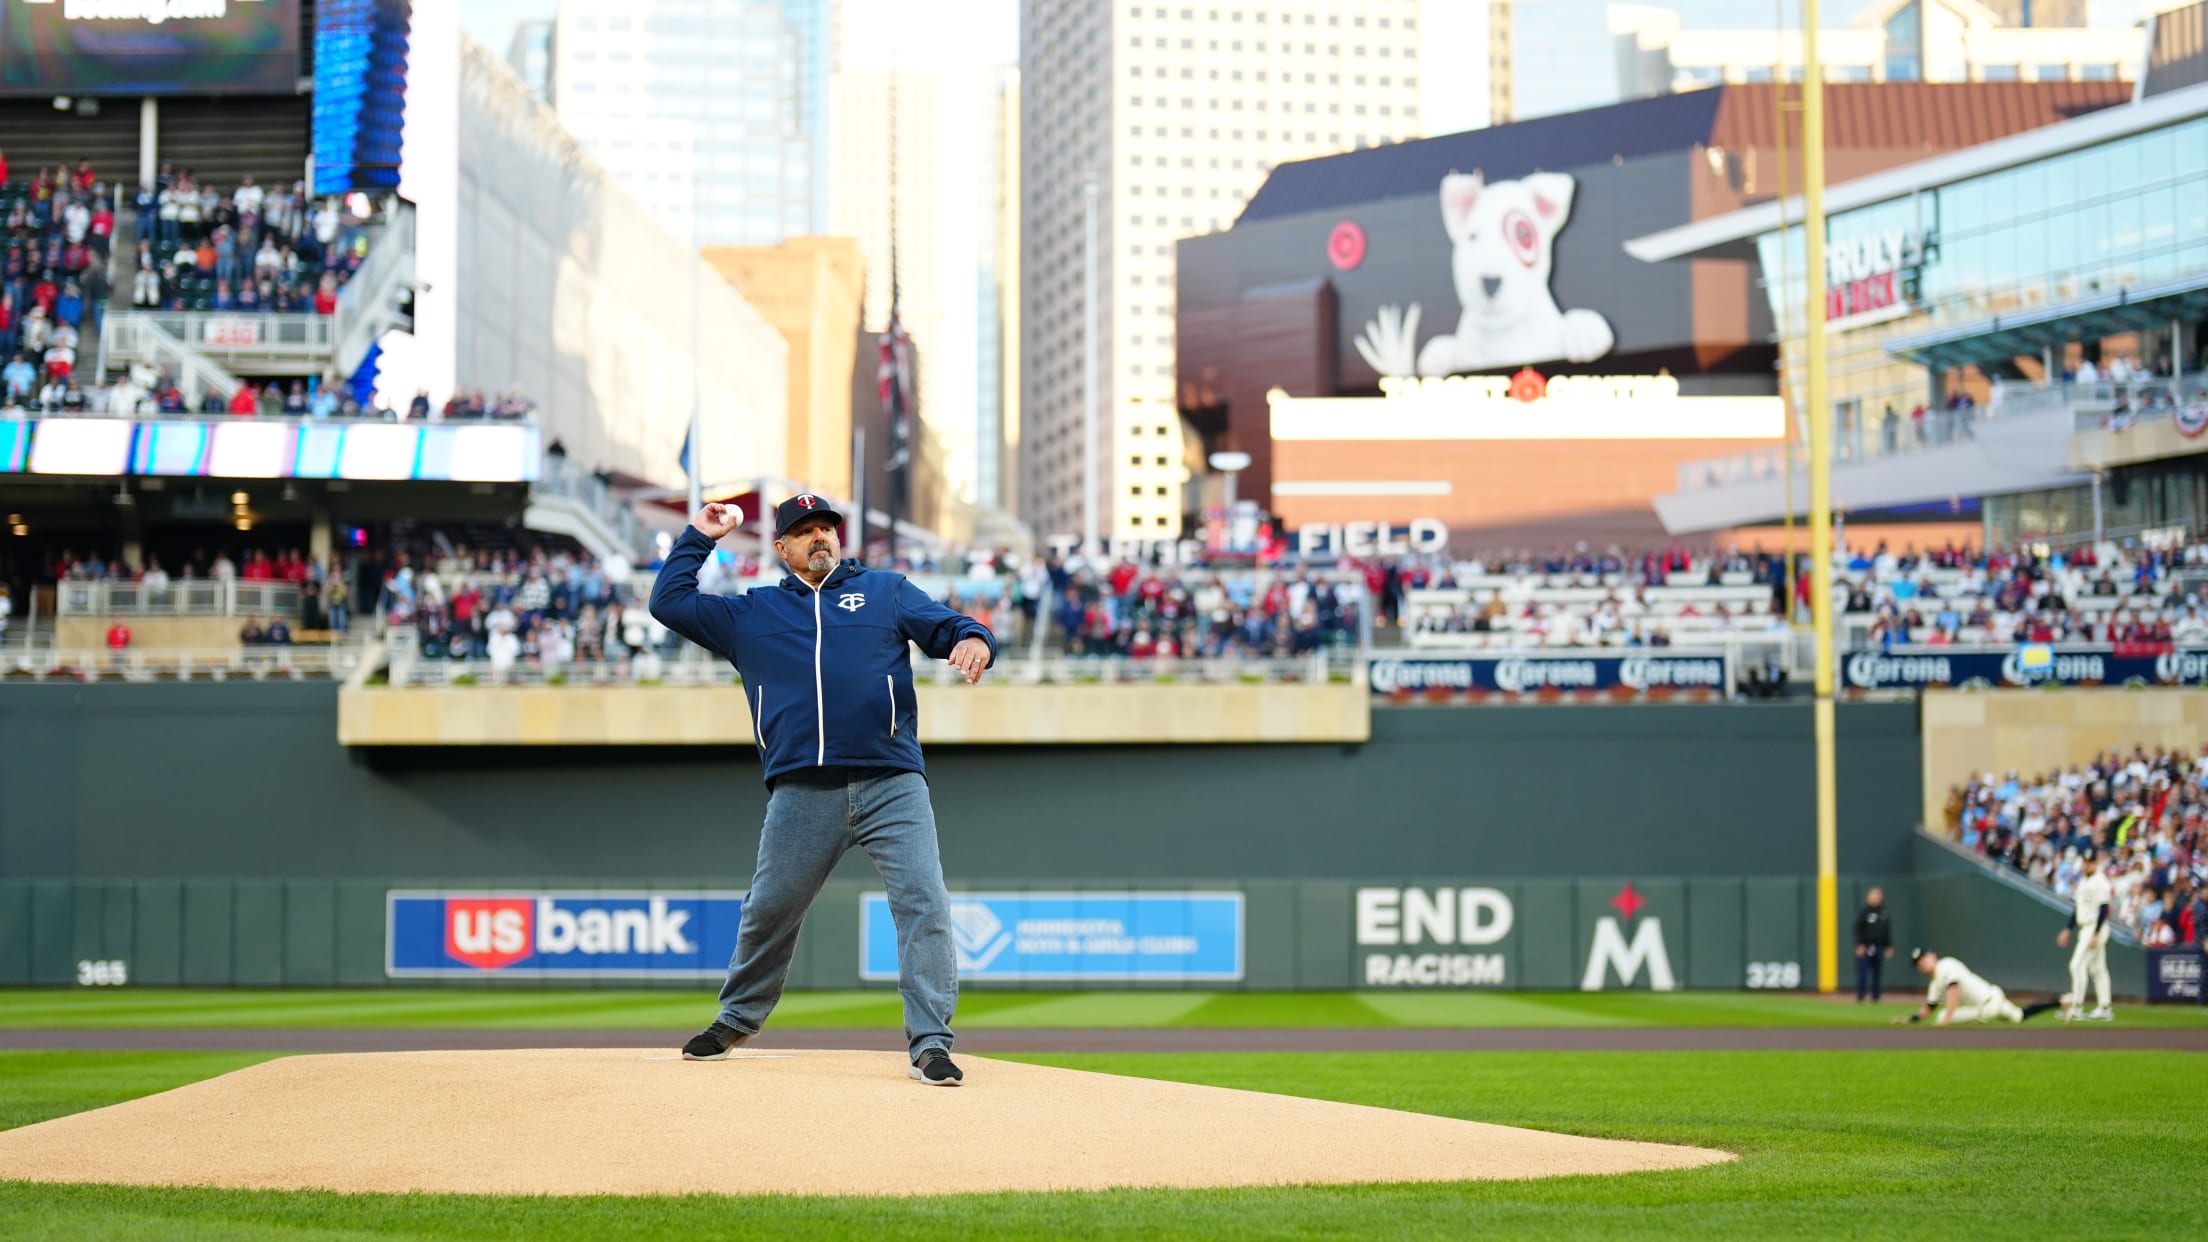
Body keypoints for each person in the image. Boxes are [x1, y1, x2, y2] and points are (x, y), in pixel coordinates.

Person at [650, 493, 995, 1086]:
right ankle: (736, 1018)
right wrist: (700, 537)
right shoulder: (752, 614)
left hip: (892, 782)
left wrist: (976, 639)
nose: (820, 537)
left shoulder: (886, 592)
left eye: (826, 527)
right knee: (770, 908)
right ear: (781, 548)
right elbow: (669, 602)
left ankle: (931, 1044)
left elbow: (953, 626)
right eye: (804, 531)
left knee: (925, 904)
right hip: (803, 791)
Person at [1895, 948, 2063, 1026]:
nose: (1923, 962)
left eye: (1924, 957)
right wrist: (1909, 1019)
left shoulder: (1945, 965)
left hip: (1988, 1005)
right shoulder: (1935, 984)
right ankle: (2060, 1002)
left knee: (1943, 1016)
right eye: (1919, 962)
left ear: (1933, 955)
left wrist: (1946, 1022)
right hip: (1994, 998)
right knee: (2018, 1016)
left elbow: (1954, 990)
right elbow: (1928, 1008)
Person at [2057, 847, 2115, 1022]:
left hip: (2095, 927)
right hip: (2085, 927)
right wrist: (2068, 929)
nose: (2087, 865)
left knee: (2077, 965)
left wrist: (2096, 934)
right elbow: (2077, 908)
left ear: (2095, 863)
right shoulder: (2083, 881)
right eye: (2085, 862)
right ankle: (2105, 1007)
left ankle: (2076, 1006)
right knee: (2097, 969)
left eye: (2090, 863)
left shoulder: (2101, 881)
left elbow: (2104, 909)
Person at [1854, 887, 1894, 1003]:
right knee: (1863, 972)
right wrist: (1860, 944)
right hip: (1866, 947)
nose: (1876, 899)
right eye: (1874, 896)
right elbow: (1858, 928)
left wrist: (1889, 946)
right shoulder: (1864, 912)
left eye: (1878, 896)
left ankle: (1875, 997)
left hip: (1879, 946)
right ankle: (1860, 996)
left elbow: (1887, 930)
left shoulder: (1884, 912)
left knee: (1877, 973)